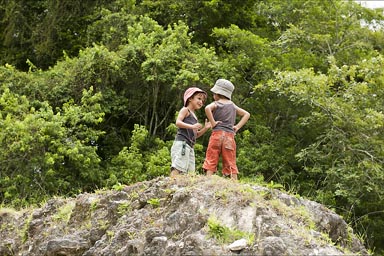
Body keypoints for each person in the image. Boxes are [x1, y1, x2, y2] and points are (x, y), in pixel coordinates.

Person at [203, 79, 250, 180]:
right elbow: (247, 114)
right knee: (230, 159)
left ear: (218, 93)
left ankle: (208, 179)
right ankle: (234, 180)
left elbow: (207, 108)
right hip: (229, 136)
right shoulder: (232, 105)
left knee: (212, 156)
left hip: (217, 134)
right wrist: (237, 126)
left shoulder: (216, 103)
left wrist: (213, 123)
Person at [170, 87, 211, 177]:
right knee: (178, 166)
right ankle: (171, 183)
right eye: (199, 98)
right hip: (182, 143)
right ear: (190, 98)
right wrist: (192, 126)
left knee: (190, 171)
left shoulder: (195, 117)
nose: (201, 102)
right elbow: (178, 122)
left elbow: (195, 135)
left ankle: (182, 188)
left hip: (190, 145)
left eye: (203, 100)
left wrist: (205, 128)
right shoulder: (185, 110)